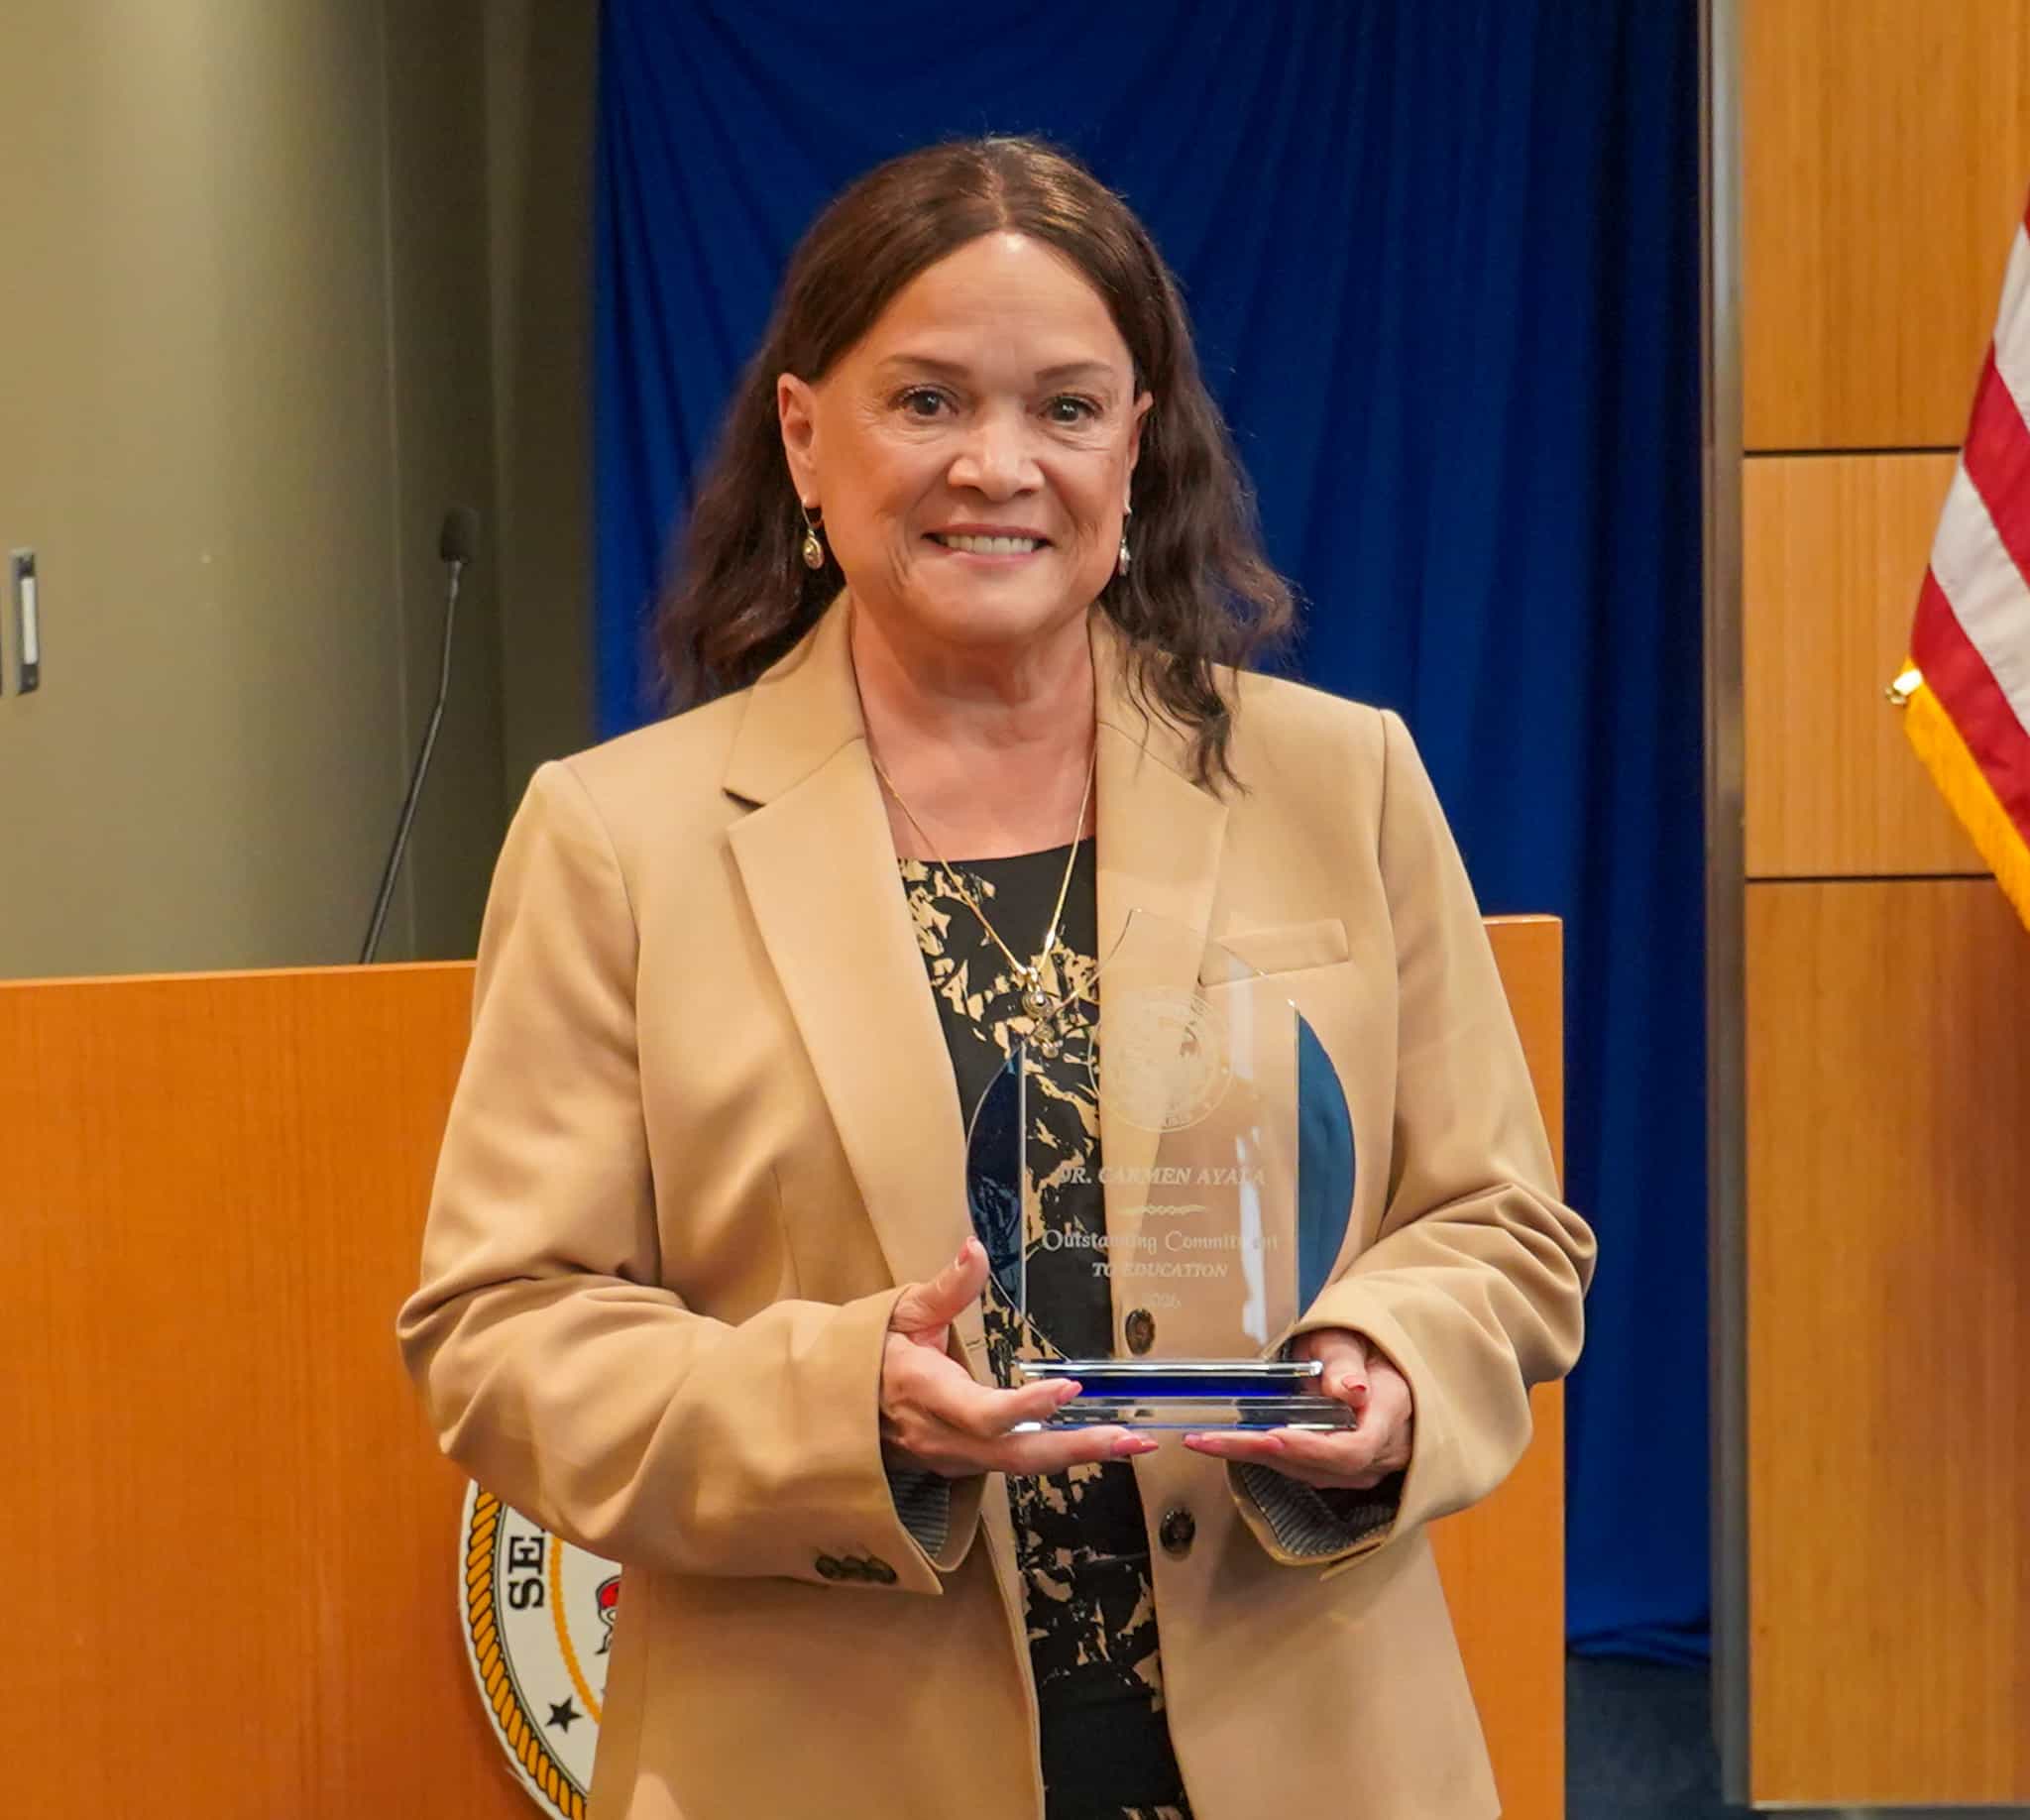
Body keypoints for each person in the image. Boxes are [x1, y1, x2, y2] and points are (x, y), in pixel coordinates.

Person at [398, 135, 1595, 1820]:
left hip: (1319, 1754)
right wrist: (839, 1406)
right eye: (930, 402)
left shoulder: (1347, 782)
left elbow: (1506, 1231)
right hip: (820, 1761)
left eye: (1066, 407)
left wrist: (1396, 1369)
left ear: (1139, 447)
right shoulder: (620, 840)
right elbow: (498, 1336)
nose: (1000, 465)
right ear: (807, 440)